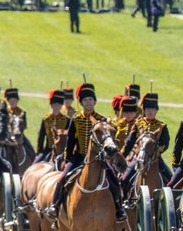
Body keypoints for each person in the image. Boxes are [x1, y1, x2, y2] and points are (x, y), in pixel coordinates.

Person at [46, 83, 126, 221]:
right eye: (85, 100)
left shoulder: (102, 120)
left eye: (90, 99)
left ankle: (119, 209)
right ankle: (55, 206)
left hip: (99, 158)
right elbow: (70, 142)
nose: (88, 102)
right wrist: (67, 159)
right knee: (62, 178)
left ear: (94, 101)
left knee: (113, 180)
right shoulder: (76, 120)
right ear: (81, 103)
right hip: (79, 156)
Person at [123, 91, 172, 183]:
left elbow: (165, 143)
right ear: (144, 110)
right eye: (148, 109)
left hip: (155, 158)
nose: (150, 111)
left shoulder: (162, 126)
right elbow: (130, 141)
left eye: (153, 109)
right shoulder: (138, 123)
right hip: (138, 157)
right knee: (124, 179)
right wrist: (123, 155)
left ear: (156, 110)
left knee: (171, 179)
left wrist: (155, 153)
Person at [35, 89, 69, 163]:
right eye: (54, 104)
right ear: (51, 105)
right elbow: (41, 137)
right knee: (34, 164)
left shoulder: (67, 120)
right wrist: (39, 151)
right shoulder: (45, 119)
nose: (56, 106)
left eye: (59, 104)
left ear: (61, 105)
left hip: (63, 151)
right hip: (48, 150)